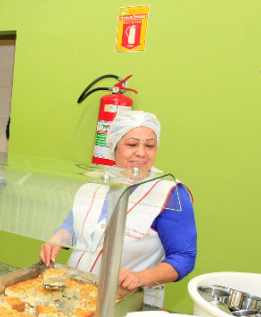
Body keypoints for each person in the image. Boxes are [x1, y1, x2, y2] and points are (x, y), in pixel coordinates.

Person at [39, 110, 197, 307]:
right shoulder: (94, 183)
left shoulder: (169, 193)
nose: (141, 152)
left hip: (129, 303)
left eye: (149, 145)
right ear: (113, 146)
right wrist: (56, 240)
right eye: (132, 144)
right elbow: (72, 226)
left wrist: (141, 277)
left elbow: (184, 257)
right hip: (73, 293)